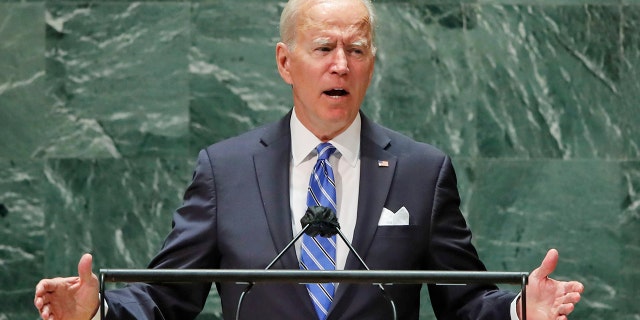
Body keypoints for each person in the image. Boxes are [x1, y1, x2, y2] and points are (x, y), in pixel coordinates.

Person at [34, 0, 584, 319]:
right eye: (323, 48)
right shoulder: (226, 170)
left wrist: (521, 313)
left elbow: (464, 302)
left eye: (357, 50)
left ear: (372, 64)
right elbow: (167, 296)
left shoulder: (422, 171)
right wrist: (97, 311)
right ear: (285, 62)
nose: (340, 65)